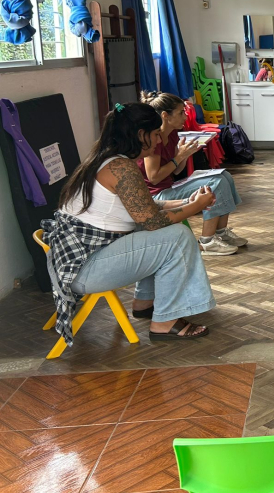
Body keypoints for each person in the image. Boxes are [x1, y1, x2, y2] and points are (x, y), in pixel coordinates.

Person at [43, 103, 216, 343]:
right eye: (155, 134)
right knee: (177, 236)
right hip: (84, 270)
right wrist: (196, 207)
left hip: (79, 262)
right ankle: (165, 322)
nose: (159, 141)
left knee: (150, 231)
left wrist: (187, 201)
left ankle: (145, 303)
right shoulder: (120, 167)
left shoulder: (107, 159)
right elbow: (153, 221)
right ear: (140, 134)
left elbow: (144, 207)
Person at [139, 92, 247, 256]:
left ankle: (221, 232)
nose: (186, 116)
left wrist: (186, 154)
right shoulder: (155, 139)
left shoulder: (173, 134)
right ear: (165, 116)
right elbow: (154, 177)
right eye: (181, 112)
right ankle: (207, 241)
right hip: (157, 195)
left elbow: (175, 170)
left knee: (225, 176)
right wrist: (179, 156)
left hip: (168, 186)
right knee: (215, 182)